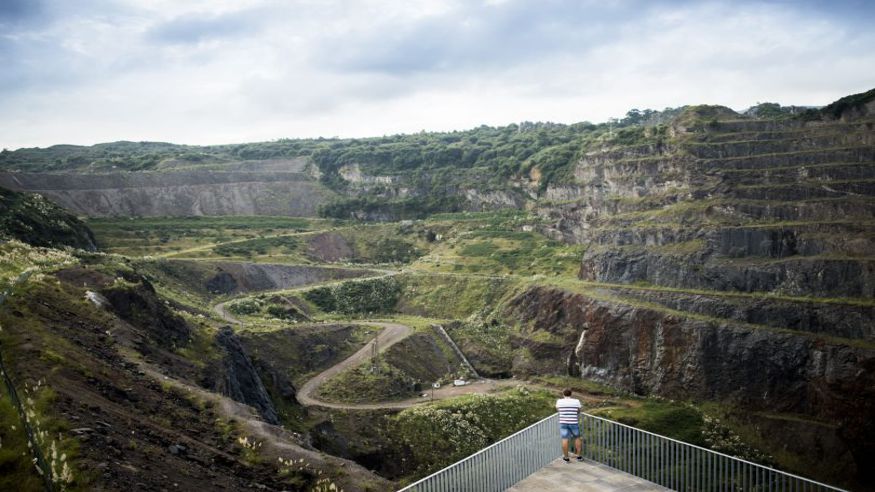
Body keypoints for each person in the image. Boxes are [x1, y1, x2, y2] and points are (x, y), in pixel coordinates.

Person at [556, 388, 583, 463]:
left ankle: (566, 457)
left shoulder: (559, 401)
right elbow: (578, 411)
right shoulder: (576, 401)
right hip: (573, 422)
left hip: (563, 422)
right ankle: (579, 456)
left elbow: (558, 410)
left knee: (565, 439)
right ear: (571, 394)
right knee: (577, 438)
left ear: (563, 394)